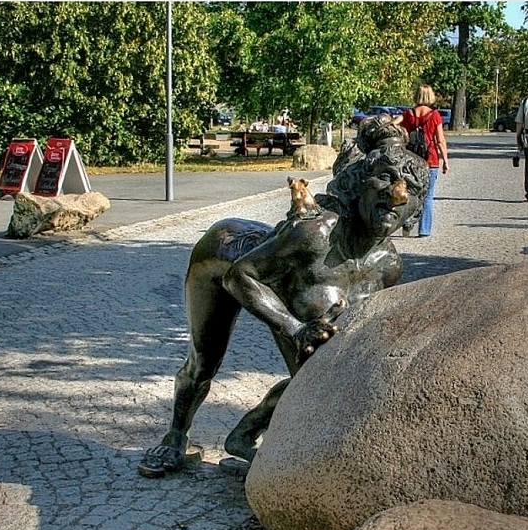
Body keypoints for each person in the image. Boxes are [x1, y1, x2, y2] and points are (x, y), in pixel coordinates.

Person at [138, 113, 430, 476]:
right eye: (385, 179)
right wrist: (294, 328)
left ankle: (243, 436)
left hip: (294, 296)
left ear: (417, 207)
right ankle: (175, 437)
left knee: (317, 375)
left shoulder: (389, 265)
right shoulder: (315, 234)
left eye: (411, 189)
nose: (397, 194)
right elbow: (239, 276)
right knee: (202, 363)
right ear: (358, 185)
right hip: (223, 263)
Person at [393, 84, 450, 238]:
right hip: (430, 160)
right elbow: (440, 140)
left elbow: (393, 124)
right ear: (430, 96)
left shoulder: (408, 114)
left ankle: (406, 222)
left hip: (410, 160)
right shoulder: (435, 115)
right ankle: (424, 230)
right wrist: (445, 160)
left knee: (409, 193)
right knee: (428, 196)